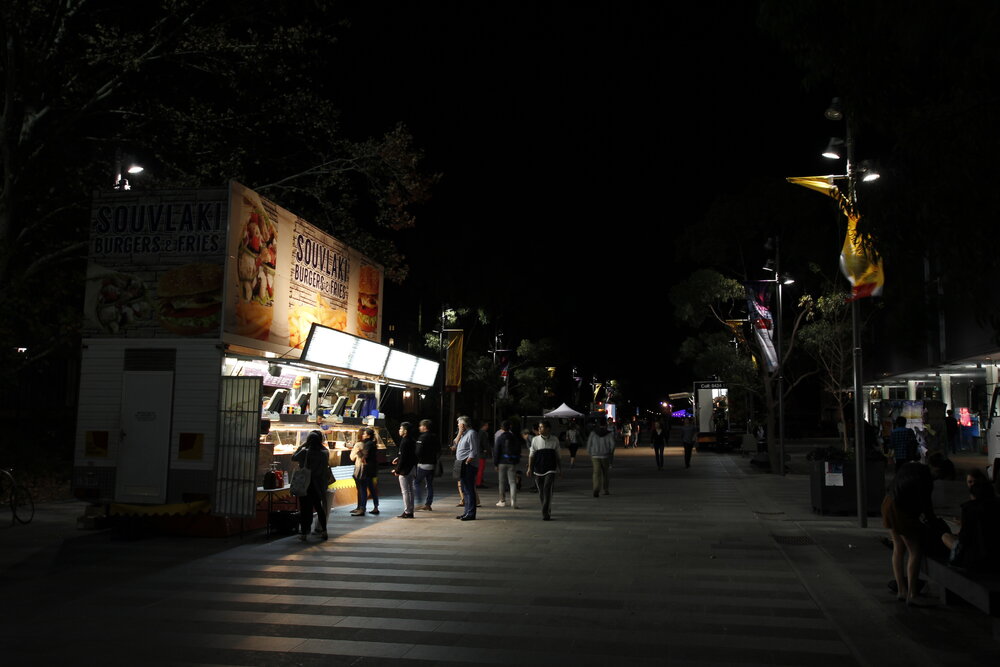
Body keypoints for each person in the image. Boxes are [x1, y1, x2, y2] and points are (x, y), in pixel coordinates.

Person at [881, 461, 938, 605]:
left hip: (888, 503)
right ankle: (912, 594)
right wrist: (933, 523)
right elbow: (927, 505)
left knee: (898, 548)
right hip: (900, 510)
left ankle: (901, 590)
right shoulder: (925, 479)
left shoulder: (911, 468)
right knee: (915, 551)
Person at [940, 470, 1000, 571]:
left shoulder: (970, 508)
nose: (971, 485)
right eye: (969, 482)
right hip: (994, 555)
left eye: (973, 482)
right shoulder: (995, 505)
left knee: (946, 536)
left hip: (975, 558)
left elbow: (965, 538)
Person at [290, 430, 333, 541]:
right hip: (319, 485)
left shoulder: (305, 452)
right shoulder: (324, 453)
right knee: (319, 507)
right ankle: (324, 531)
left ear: (309, 441)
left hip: (306, 484)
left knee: (305, 509)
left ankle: (304, 533)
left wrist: (303, 445)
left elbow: (293, 457)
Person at [528, 420, 561, 520]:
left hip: (550, 468)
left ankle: (545, 512)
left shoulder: (555, 440)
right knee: (541, 491)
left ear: (548, 429)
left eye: (541, 427)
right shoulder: (535, 440)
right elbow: (531, 455)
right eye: (539, 427)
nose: (539, 429)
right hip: (538, 468)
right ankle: (546, 508)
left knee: (547, 488)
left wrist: (560, 469)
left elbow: (558, 455)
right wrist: (529, 468)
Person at [454, 415, 480, 521]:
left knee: (469, 489)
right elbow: (454, 444)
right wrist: (460, 432)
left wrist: (467, 461)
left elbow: (474, 450)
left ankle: (471, 513)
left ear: (463, 424)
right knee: (464, 489)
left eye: (459, 423)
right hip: (461, 464)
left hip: (468, 465)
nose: (457, 425)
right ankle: (466, 512)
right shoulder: (463, 434)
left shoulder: (472, 433)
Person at [350, 428, 380, 516]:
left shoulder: (367, 444)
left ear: (368, 435)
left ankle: (362, 509)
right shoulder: (373, 443)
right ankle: (376, 506)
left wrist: (358, 452)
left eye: (365, 434)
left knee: (363, 489)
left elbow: (364, 457)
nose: (363, 435)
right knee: (371, 488)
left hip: (366, 470)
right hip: (372, 469)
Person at [392, 421, 417, 518]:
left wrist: (397, 470)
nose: (399, 430)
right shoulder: (412, 440)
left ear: (405, 431)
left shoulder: (404, 441)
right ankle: (410, 510)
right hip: (412, 468)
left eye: (401, 428)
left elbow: (403, 458)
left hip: (405, 470)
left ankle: (407, 511)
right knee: (410, 491)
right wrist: (398, 458)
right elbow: (408, 455)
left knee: (405, 491)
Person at [493, 420, 520, 508]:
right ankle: (513, 501)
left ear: (502, 428)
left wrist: (495, 463)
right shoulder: (514, 437)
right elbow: (518, 449)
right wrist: (516, 460)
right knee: (512, 482)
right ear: (510, 427)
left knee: (502, 482)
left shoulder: (500, 438)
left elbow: (496, 451)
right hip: (512, 462)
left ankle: (502, 501)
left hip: (501, 462)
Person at [414, 419, 439, 511]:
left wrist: (417, 459)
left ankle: (419, 502)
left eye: (421, 426)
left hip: (423, 464)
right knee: (429, 484)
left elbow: (418, 452)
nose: (419, 427)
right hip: (432, 464)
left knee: (416, 482)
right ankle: (428, 504)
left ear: (424, 427)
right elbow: (438, 449)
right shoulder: (434, 437)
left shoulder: (422, 437)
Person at [586, 417, 615, 496]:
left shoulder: (593, 433)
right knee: (605, 473)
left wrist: (590, 453)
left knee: (596, 473)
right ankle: (605, 489)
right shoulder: (608, 433)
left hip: (595, 455)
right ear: (605, 424)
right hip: (605, 456)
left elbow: (589, 444)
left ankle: (596, 488)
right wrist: (610, 452)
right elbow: (613, 445)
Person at [475, 421, 491, 488]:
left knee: (480, 468)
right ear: (483, 426)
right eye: (486, 425)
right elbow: (483, 443)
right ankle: (478, 483)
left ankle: (479, 481)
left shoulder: (479, 433)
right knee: (481, 469)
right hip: (481, 454)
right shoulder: (483, 433)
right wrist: (484, 450)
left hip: (479, 453)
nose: (487, 427)